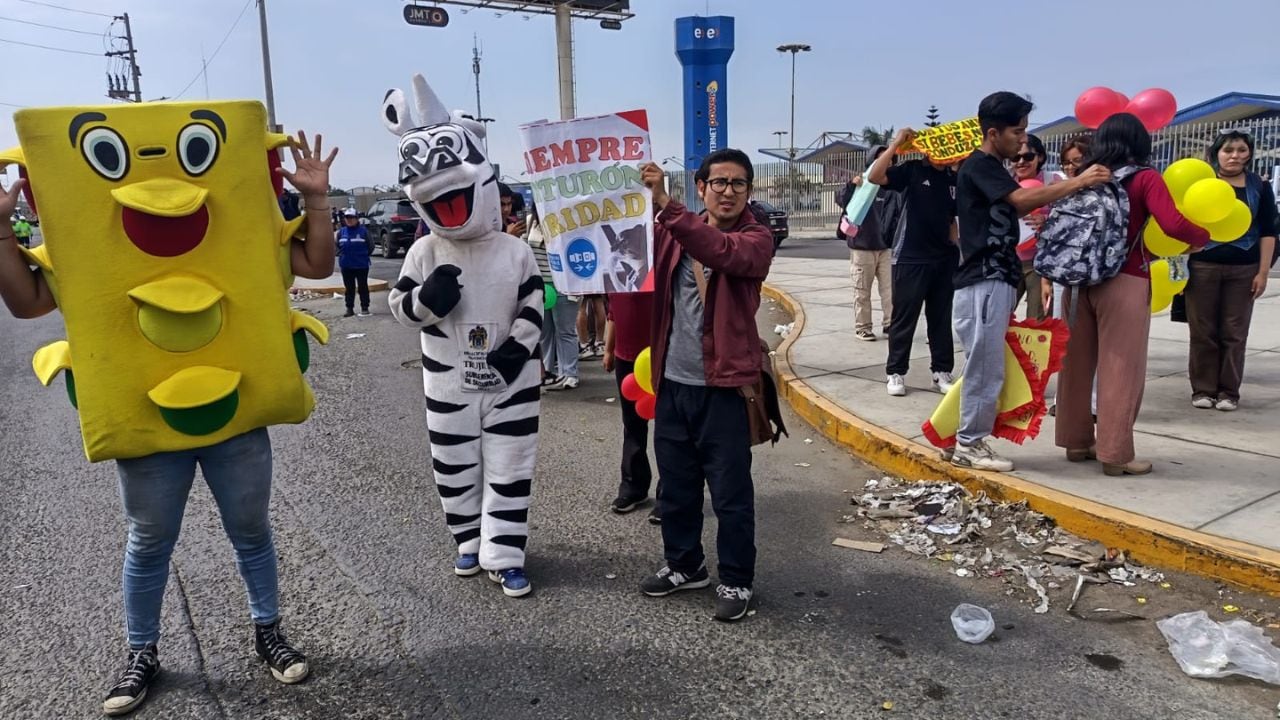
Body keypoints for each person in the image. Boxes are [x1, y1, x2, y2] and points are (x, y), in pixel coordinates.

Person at [0, 130, 337, 716]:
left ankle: (268, 632)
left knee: (251, 532)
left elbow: (313, 261)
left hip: (235, 417)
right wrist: (2, 230)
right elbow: (28, 303)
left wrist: (315, 200)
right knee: (150, 542)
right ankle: (141, 653)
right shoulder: (90, 250)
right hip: (147, 423)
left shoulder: (242, 239)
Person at [637, 149, 773, 622]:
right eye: (719, 183)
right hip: (674, 384)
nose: (728, 191)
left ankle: (736, 579)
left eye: (738, 183)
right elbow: (628, 250)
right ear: (702, 188)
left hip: (727, 388)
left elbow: (720, 253)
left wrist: (667, 206)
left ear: (749, 191)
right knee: (675, 487)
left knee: (731, 494)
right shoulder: (672, 233)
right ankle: (684, 564)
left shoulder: (757, 239)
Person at [952, 91, 1110, 472]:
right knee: (985, 365)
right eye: (1017, 132)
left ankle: (964, 437)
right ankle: (968, 443)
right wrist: (1080, 182)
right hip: (985, 279)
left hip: (996, 277)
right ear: (993, 133)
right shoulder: (981, 166)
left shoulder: (991, 167)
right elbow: (1022, 202)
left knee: (989, 363)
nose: (1023, 141)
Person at [1051, 113, 1211, 475]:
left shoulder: (1085, 177)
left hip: (1077, 281)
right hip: (1125, 279)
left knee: (1075, 364)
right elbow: (1172, 223)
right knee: (1122, 366)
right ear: (1140, 142)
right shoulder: (1145, 178)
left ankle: (1077, 443)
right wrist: (1202, 238)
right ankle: (1116, 454)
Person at [1184, 129, 1278, 411]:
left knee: (1235, 332)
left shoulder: (1259, 186)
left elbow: (1269, 230)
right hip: (1203, 266)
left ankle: (1228, 392)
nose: (1234, 155)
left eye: (1241, 150)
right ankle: (1203, 389)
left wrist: (1263, 272)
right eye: (1228, 150)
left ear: (1249, 153)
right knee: (1202, 330)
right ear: (1217, 154)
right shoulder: (1202, 183)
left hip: (1244, 268)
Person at [867, 129, 958, 397]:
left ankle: (941, 371)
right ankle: (895, 371)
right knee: (904, 319)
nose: (943, 156)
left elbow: (953, 219)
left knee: (940, 319)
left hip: (943, 259)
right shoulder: (912, 170)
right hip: (910, 258)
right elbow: (874, 176)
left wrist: (957, 251)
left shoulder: (954, 178)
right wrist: (896, 143)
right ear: (928, 149)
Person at [602, 289, 660, 521]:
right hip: (626, 357)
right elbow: (613, 311)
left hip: (661, 354)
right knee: (632, 424)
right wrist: (608, 349)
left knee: (669, 428)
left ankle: (670, 495)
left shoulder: (660, 258)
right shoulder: (615, 264)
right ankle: (633, 486)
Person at [847, 145, 902, 342]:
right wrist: (852, 185)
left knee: (889, 290)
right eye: (880, 159)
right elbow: (844, 202)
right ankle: (863, 327)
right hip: (862, 246)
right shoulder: (862, 183)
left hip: (886, 247)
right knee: (862, 290)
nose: (885, 162)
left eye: (888, 159)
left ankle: (890, 324)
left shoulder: (893, 187)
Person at [527, 205, 580, 391]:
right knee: (545, 332)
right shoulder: (530, 222)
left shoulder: (568, 221)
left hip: (564, 285)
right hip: (540, 286)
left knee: (565, 330)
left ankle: (570, 373)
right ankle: (548, 371)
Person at [1012, 134, 1049, 320]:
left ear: (1040, 157)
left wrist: (1048, 221)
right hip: (1010, 260)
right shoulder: (1004, 184)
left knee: (1037, 321)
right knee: (998, 318)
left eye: (1027, 157)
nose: (1021, 162)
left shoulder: (1053, 183)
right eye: (1015, 157)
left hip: (1040, 263)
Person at [336, 207, 373, 317]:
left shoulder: (363, 231)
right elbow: (337, 246)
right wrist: (341, 255)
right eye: (347, 218)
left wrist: (363, 255)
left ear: (357, 219)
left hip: (361, 265)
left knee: (363, 287)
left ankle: (365, 307)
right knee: (349, 288)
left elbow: (370, 246)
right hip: (346, 265)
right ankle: (349, 308)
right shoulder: (341, 232)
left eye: (352, 217)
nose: (349, 220)